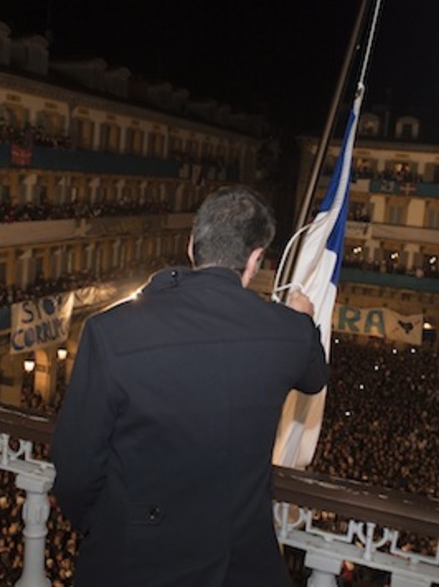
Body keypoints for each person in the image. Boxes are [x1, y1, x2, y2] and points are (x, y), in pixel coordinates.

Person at [51, 185, 329, 586]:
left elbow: (76, 468)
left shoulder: (109, 331)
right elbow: (315, 377)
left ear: (191, 246)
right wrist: (302, 318)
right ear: (254, 260)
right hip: (236, 566)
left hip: (133, 562)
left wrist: (108, 526)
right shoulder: (286, 332)